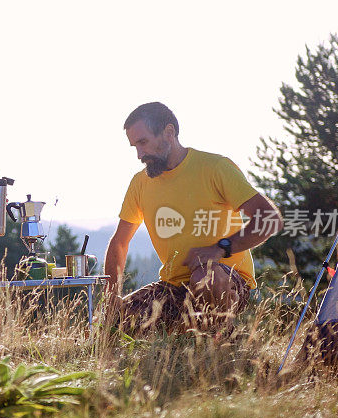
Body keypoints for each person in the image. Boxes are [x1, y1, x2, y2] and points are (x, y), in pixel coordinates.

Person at [103, 102, 283, 333]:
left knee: (203, 275)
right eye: (134, 146)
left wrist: (220, 248)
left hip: (226, 279)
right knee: (113, 326)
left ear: (169, 132)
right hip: (172, 286)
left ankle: (220, 345)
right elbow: (119, 242)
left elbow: (270, 218)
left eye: (143, 142)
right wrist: (111, 297)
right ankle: (183, 342)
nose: (139, 154)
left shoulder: (216, 167)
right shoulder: (140, 183)